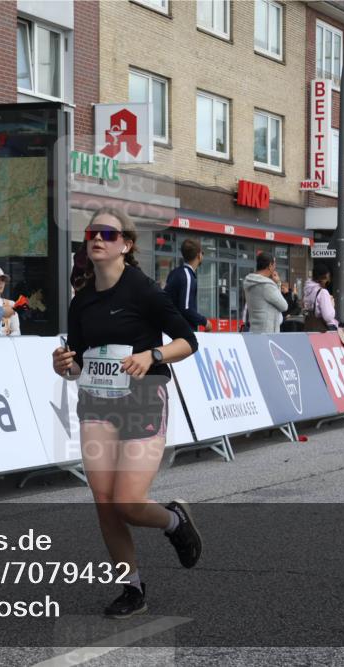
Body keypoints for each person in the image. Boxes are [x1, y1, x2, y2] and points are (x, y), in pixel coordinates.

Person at [51, 207, 201, 620]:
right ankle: (132, 588)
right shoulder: (82, 301)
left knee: (128, 502)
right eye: (92, 233)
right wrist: (64, 364)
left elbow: (188, 341)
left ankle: (173, 521)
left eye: (108, 234)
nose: (98, 239)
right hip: (96, 403)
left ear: (127, 244)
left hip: (143, 399)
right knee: (104, 502)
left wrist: (151, 354)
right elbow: (79, 361)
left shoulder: (145, 291)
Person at [164, 239, 211, 332]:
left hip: (169, 329)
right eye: (202, 253)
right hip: (182, 333)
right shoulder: (188, 276)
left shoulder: (175, 272)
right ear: (199, 255)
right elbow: (186, 309)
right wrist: (205, 322)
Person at [243, 252, 288, 334]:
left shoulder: (250, 282)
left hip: (254, 330)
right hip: (268, 332)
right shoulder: (267, 286)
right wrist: (278, 283)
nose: (275, 268)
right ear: (270, 266)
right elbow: (284, 306)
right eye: (274, 265)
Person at [303, 263, 338, 332]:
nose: (328, 281)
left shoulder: (307, 290)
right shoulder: (323, 292)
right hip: (321, 331)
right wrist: (331, 304)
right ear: (323, 277)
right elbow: (328, 317)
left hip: (309, 327)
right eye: (327, 278)